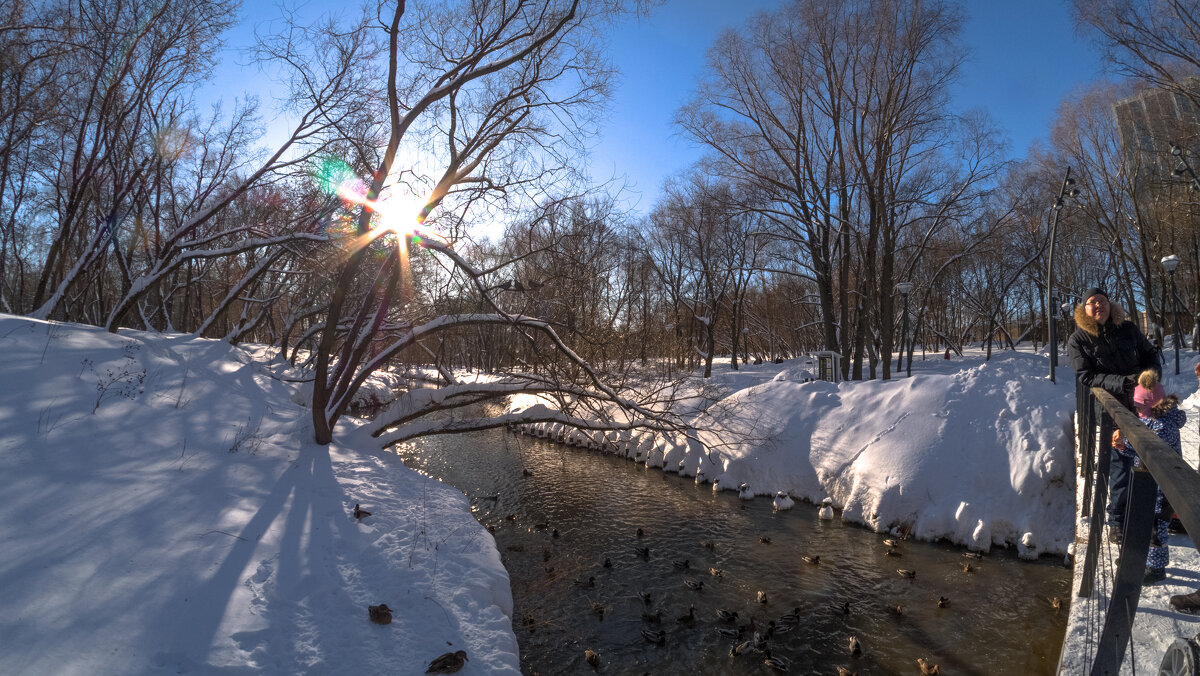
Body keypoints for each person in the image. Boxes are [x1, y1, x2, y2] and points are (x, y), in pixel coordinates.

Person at [1066, 287, 1160, 544]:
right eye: (1092, 302)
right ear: (1084, 309)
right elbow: (1085, 376)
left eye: (1102, 301)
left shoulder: (1128, 328)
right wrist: (1123, 382)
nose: (1098, 305)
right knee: (1121, 463)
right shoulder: (1079, 339)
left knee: (1149, 460)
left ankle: (1149, 518)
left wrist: (1151, 375)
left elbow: (1150, 354)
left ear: (1110, 305)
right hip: (1111, 409)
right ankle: (1117, 520)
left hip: (1143, 403)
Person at [1132, 372, 1185, 584]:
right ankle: (1147, 561)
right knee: (1150, 522)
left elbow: (1146, 448)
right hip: (1153, 482)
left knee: (1157, 526)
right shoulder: (1159, 419)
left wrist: (1126, 443)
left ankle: (1157, 568)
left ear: (1150, 407)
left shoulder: (1160, 427)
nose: (1136, 411)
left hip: (1163, 486)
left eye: (1138, 408)